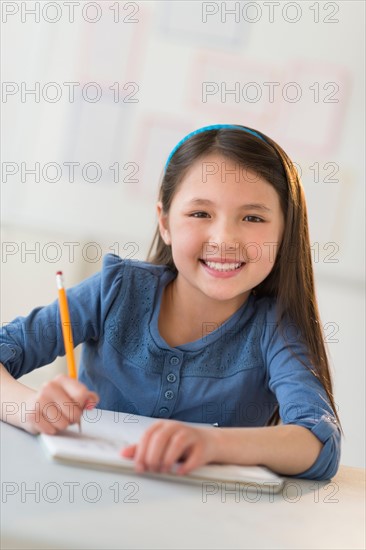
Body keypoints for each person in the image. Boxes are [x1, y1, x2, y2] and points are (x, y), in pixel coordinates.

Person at [0, 124, 342, 480]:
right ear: (164, 222)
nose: (224, 238)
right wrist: (27, 407)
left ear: (284, 233)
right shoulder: (115, 290)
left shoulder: (275, 327)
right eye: (200, 214)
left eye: (252, 217)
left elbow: (317, 441)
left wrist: (212, 443)